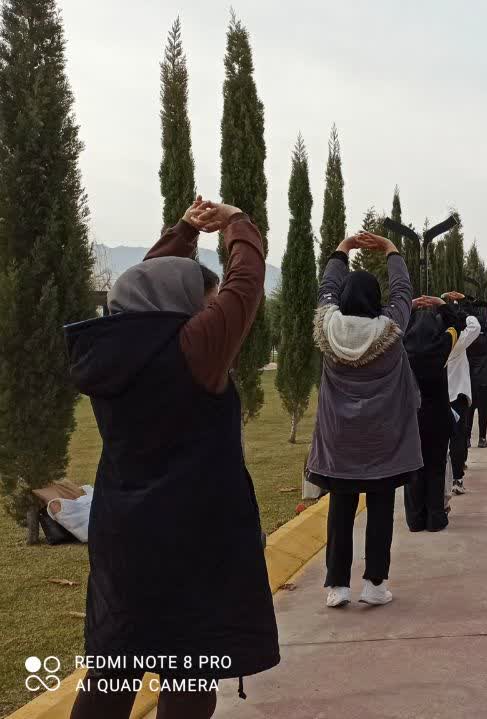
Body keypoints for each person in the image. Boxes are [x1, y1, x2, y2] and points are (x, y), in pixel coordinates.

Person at [66, 198, 278, 719]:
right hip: (193, 538)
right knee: (189, 669)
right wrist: (236, 224)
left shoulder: (108, 349)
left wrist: (183, 232)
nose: (212, 307)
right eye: (206, 300)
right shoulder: (195, 347)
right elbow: (246, 285)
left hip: (122, 534)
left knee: (113, 669)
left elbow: (144, 286)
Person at [308, 230, 422, 609]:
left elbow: (326, 288)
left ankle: (337, 586)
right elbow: (402, 292)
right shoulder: (391, 328)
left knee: (341, 508)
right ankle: (375, 584)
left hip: (339, 441)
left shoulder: (327, 327)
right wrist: (390, 249)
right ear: (377, 300)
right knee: (381, 507)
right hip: (382, 440)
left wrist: (343, 249)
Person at [404, 295, 462, 533]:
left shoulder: (403, 346)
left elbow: (393, 324)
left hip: (410, 417)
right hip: (438, 416)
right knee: (436, 468)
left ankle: (415, 519)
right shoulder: (442, 345)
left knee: (413, 468)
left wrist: (409, 306)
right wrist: (442, 304)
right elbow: (457, 324)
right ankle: (435, 518)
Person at [444, 292, 481, 496]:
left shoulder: (433, 339)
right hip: (457, 396)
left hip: (437, 396)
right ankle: (457, 478)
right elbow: (475, 325)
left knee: (442, 441)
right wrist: (462, 306)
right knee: (458, 438)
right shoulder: (458, 340)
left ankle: (444, 480)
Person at [466, 301, 487, 449]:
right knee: (483, 410)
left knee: (469, 409)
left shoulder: (469, 335)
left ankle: (467, 438)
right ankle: (482, 438)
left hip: (470, 374)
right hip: (484, 375)